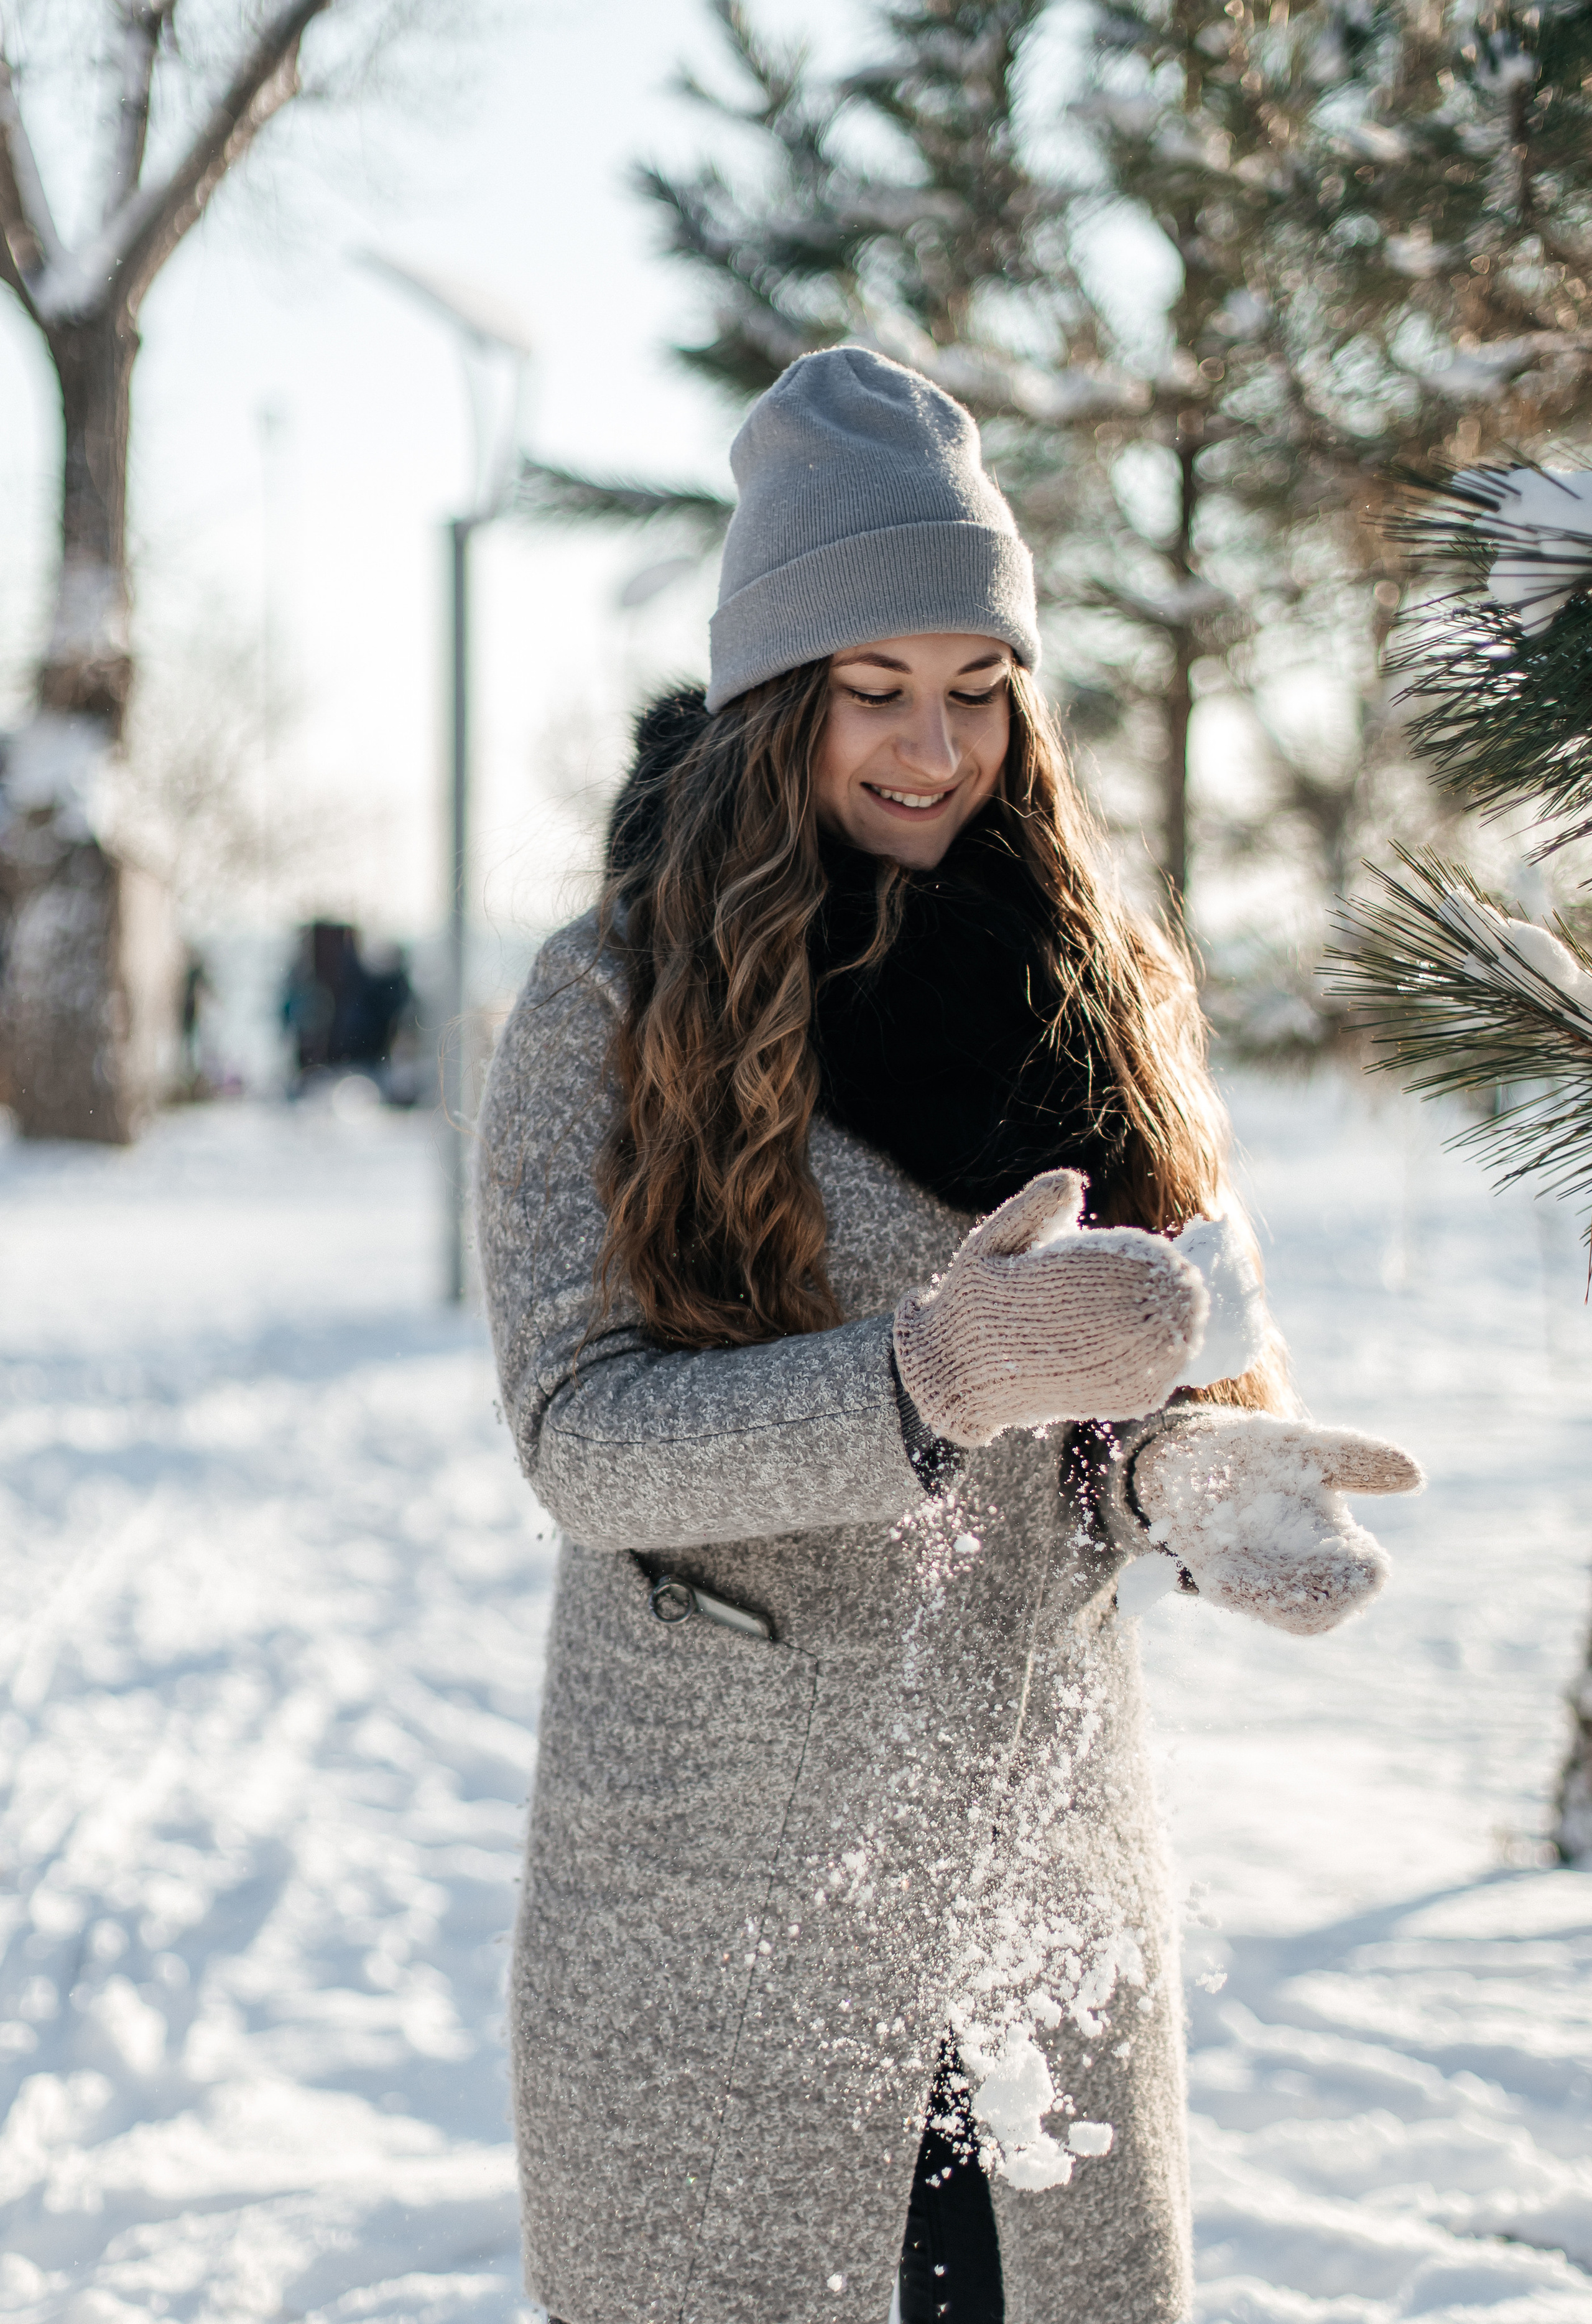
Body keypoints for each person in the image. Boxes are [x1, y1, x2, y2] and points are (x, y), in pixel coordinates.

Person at [477, 348, 1421, 2324]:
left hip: (1031, 1886)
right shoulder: (611, 1001)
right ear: (775, 698)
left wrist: (1189, 1467)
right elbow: (584, 1438)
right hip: (728, 1901)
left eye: (980, 686)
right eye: (876, 688)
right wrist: (932, 1373)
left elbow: (1143, 1357)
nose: (935, 746)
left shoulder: (1095, 979)